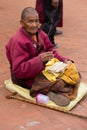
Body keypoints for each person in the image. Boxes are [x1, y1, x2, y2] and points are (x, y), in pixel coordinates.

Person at [5, 7, 80, 106]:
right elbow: (18, 70)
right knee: (56, 84)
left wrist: (65, 60)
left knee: (72, 73)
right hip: (24, 79)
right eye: (30, 21)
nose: (35, 25)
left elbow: (51, 51)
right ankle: (47, 92)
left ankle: (50, 90)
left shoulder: (40, 34)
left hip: (41, 70)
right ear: (22, 23)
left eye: (37, 21)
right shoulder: (17, 41)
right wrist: (39, 60)